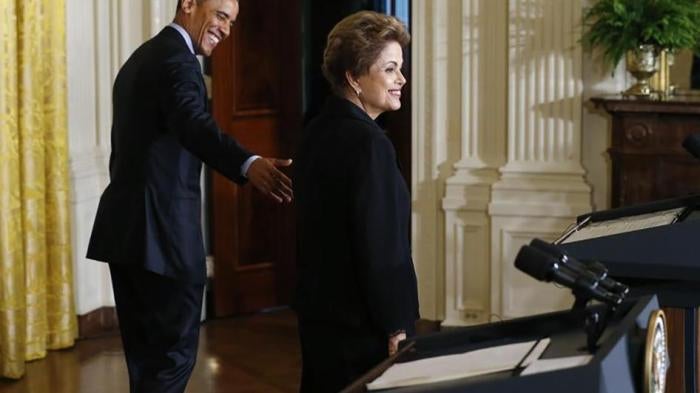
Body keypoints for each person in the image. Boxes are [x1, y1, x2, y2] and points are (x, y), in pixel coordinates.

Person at [86, 0, 293, 392]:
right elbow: (193, 123)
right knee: (169, 365)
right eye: (219, 15)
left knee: (146, 368)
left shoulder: (142, 58)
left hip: (128, 237)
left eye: (231, 22)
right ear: (188, 5)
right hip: (164, 242)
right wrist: (247, 162)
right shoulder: (178, 63)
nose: (226, 30)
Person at [293, 11, 419, 393]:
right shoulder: (369, 144)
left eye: (400, 68)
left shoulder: (316, 129)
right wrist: (395, 323)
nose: (401, 80)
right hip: (362, 325)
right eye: (390, 69)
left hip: (321, 316)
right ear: (354, 78)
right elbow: (379, 246)